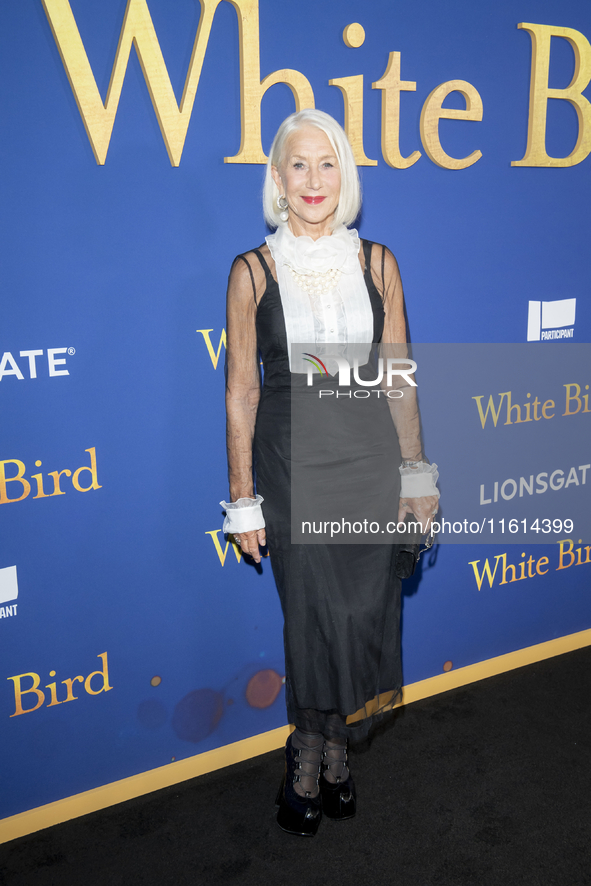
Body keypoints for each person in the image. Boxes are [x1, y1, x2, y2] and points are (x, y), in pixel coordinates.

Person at [221, 109, 439, 836]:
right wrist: (242, 498)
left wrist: (415, 474)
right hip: (290, 469)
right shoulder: (251, 271)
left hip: (371, 466)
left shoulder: (378, 263)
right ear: (276, 181)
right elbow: (242, 391)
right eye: (297, 165)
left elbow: (398, 379)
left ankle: (335, 752)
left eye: (326, 164)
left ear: (342, 176)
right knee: (311, 618)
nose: (313, 180)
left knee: (361, 616)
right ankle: (308, 754)